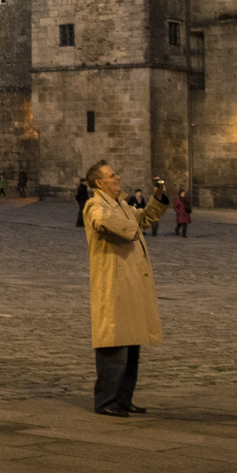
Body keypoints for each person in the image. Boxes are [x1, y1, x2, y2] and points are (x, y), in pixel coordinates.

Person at [82, 162, 170, 417]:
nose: (118, 177)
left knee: (132, 346)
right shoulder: (95, 205)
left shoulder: (120, 204)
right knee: (114, 345)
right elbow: (104, 222)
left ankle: (123, 398)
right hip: (113, 285)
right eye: (111, 175)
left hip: (129, 283)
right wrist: (129, 225)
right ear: (99, 183)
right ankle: (105, 401)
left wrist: (158, 198)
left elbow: (144, 218)